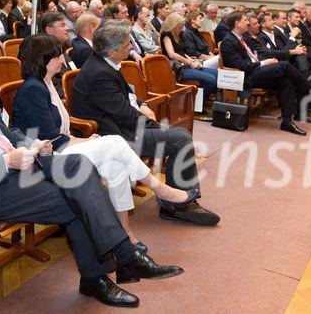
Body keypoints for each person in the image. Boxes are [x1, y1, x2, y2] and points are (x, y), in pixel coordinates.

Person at [0, 26, 184, 308]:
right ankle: (118, 261)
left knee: (79, 165)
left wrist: (33, 143)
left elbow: (5, 133)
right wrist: (5, 162)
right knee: (81, 194)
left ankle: (107, 268)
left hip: (26, 166)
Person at [14, 34, 198, 249]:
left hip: (61, 148)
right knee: (115, 143)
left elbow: (60, 132)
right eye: (57, 56)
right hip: (44, 158)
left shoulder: (47, 84)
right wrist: (81, 141)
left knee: (116, 163)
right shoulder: (32, 90)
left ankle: (125, 235)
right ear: (42, 59)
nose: (63, 60)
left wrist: (82, 139)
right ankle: (162, 191)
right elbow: (50, 138)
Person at [73, 19, 220, 226]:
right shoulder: (99, 74)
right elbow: (126, 115)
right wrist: (159, 127)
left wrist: (141, 103)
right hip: (114, 135)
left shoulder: (106, 63)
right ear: (112, 51)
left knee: (177, 136)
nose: (132, 46)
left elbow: (126, 95)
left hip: (121, 124)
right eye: (127, 45)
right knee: (179, 138)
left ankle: (178, 200)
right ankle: (178, 206)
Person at [221, 11, 308, 135]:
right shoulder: (228, 41)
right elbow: (242, 66)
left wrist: (265, 61)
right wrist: (263, 63)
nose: (248, 22)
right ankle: (307, 88)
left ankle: (287, 122)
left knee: (286, 81)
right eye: (245, 20)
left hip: (256, 70)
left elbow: (257, 55)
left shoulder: (244, 37)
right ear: (237, 23)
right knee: (284, 65)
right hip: (245, 76)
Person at [160, 12, 218, 102]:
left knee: (217, 74)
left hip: (185, 64)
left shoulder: (179, 34)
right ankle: (193, 103)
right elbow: (172, 54)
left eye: (182, 26)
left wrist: (191, 60)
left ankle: (198, 102)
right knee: (211, 80)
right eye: (179, 27)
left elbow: (181, 52)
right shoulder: (166, 35)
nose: (181, 29)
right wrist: (190, 62)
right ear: (172, 25)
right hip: (177, 69)